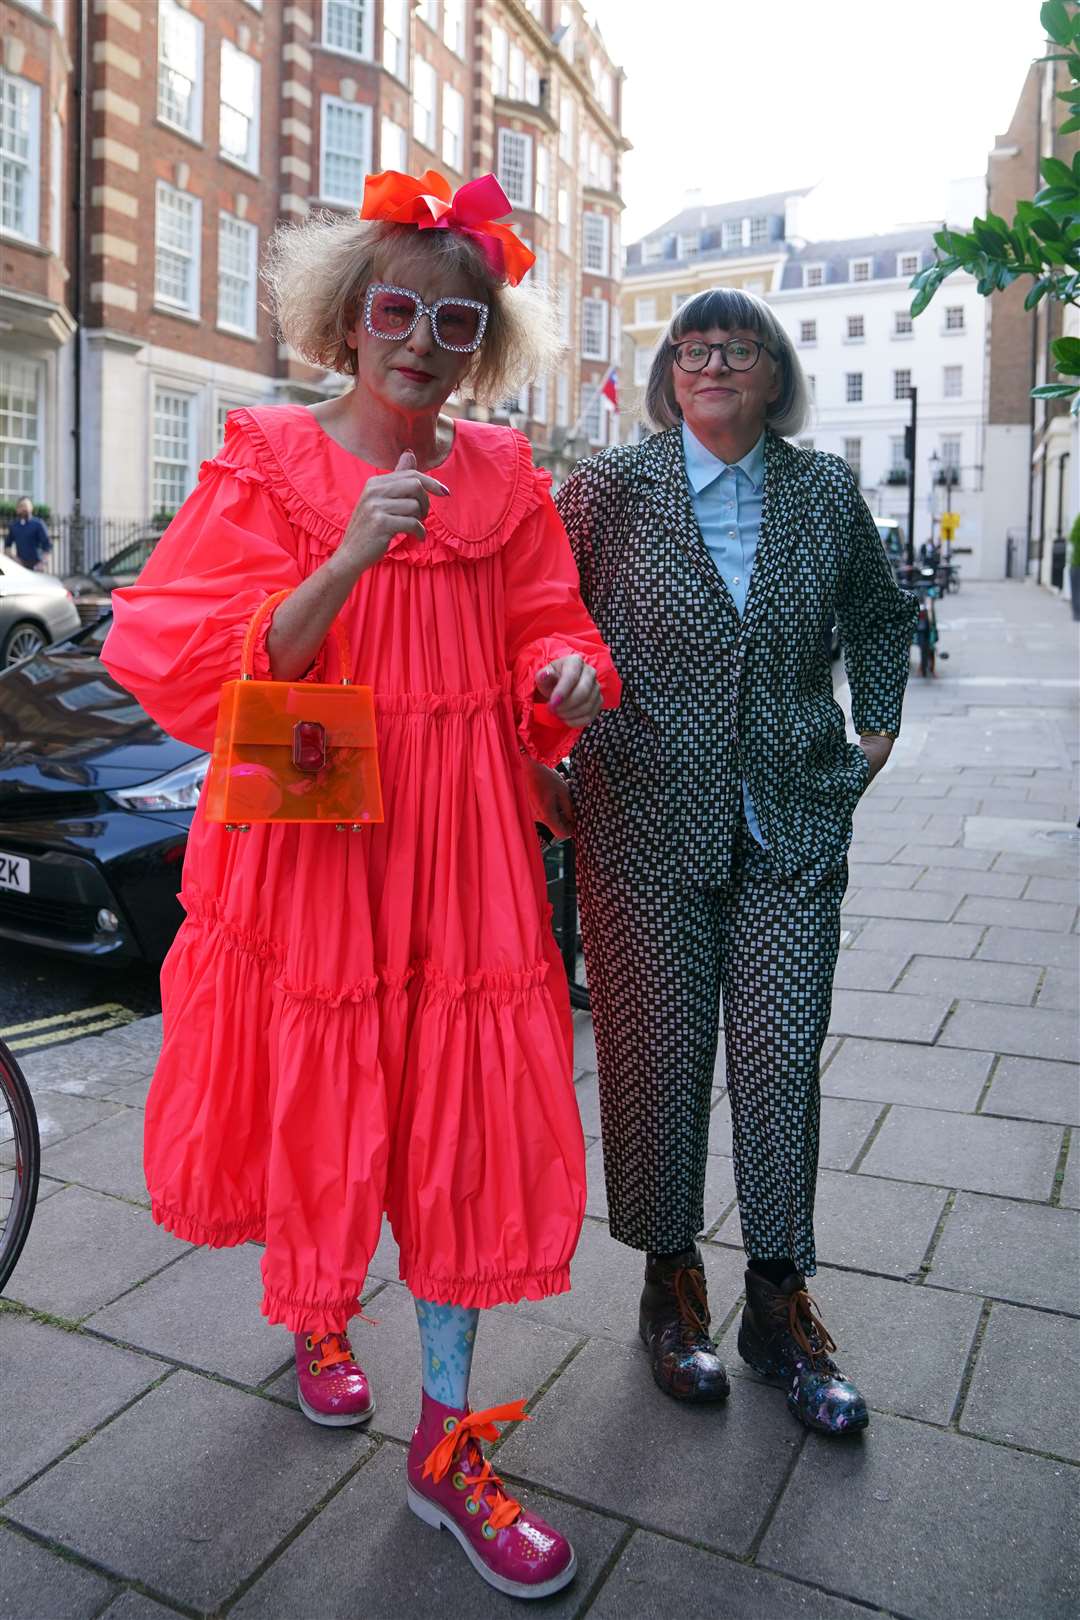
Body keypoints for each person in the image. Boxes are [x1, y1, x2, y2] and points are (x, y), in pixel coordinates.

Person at [102, 168, 620, 1599]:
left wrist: (563, 676)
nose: (420, 339)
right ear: (346, 322)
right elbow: (178, 655)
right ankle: (320, 1314)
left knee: (456, 1117)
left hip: (460, 845)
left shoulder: (507, 478)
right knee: (324, 1096)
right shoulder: (270, 455)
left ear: (479, 346)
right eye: (395, 310)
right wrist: (346, 555)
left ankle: (448, 1445)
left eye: (455, 322)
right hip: (322, 837)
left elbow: (546, 626)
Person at [539, 287, 916, 1436]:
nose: (711, 364)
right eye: (692, 349)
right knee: (653, 1061)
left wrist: (870, 744)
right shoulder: (609, 487)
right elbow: (542, 616)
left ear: (771, 372)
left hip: (789, 826)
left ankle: (778, 1303)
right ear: (668, 373)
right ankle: (670, 1289)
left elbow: (881, 619)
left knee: (779, 1060)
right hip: (640, 822)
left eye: (735, 349)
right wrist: (544, 752)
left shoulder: (820, 493)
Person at [5, 497, 52, 570]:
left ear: (31, 508)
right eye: (21, 506)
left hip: (37, 566)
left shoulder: (38, 524)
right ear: (17, 509)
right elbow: (7, 546)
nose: (23, 508)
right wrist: (14, 558)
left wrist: (43, 563)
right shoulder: (13, 526)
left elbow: (48, 546)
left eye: (26, 506)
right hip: (20, 567)